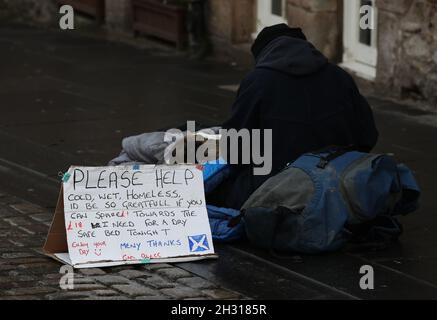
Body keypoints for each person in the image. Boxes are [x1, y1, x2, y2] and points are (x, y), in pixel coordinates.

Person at [208, 24, 379, 210]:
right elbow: (368, 135)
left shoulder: (258, 82)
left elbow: (236, 151)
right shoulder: (339, 76)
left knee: (213, 187)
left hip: (277, 189)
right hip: (337, 183)